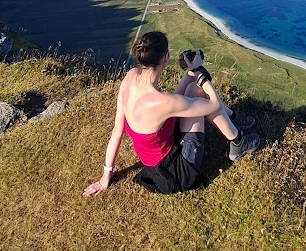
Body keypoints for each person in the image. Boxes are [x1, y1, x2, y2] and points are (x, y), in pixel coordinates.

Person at [82, 31, 260, 196]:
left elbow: (117, 132)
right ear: (166, 57)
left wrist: (106, 175)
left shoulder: (131, 77)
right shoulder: (163, 102)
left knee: (192, 88)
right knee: (199, 92)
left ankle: (233, 120)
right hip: (177, 171)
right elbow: (213, 104)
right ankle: (238, 142)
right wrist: (200, 73)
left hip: (156, 163)